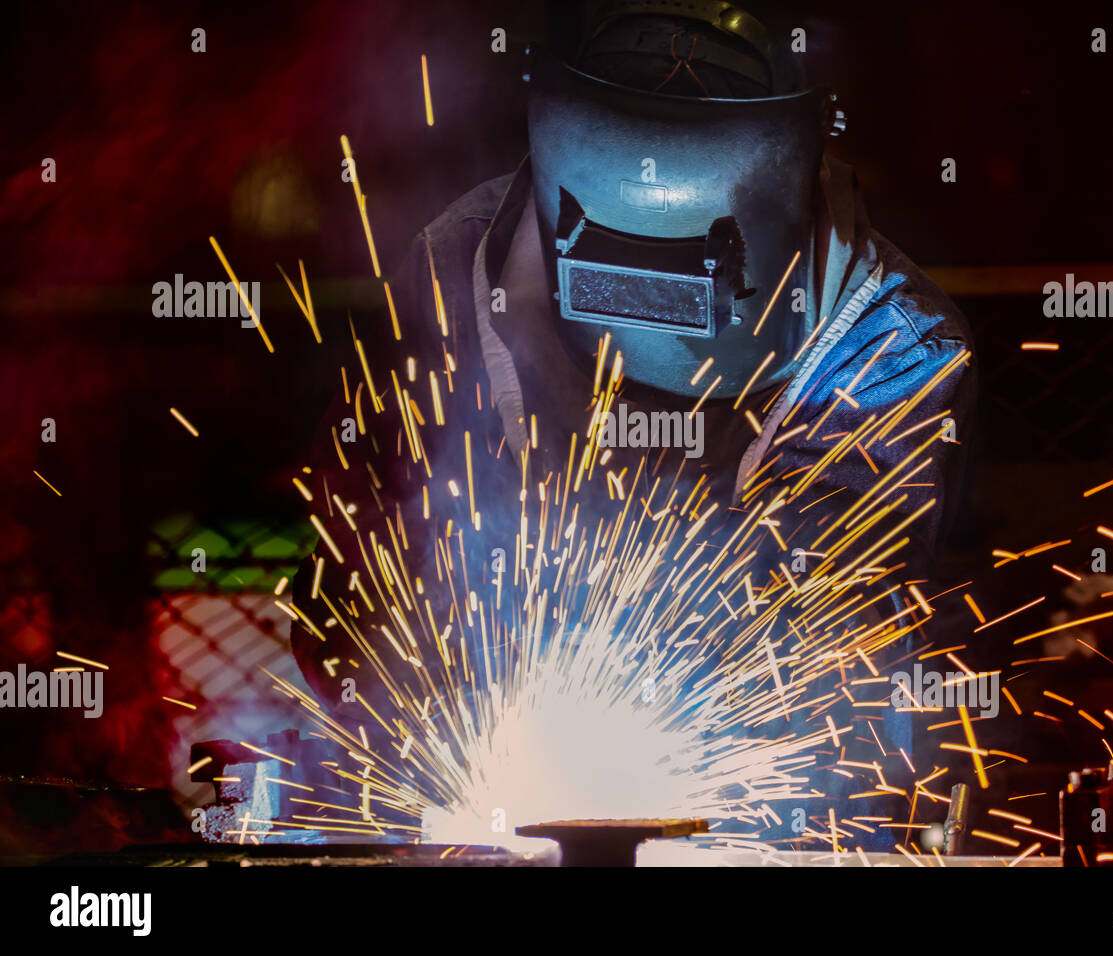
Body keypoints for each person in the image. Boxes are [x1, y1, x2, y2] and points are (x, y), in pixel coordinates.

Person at [291, 0, 975, 851]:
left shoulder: (888, 346)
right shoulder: (452, 273)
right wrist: (431, 710)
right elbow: (347, 585)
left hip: (770, 820)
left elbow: (835, 638)